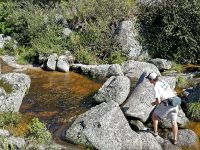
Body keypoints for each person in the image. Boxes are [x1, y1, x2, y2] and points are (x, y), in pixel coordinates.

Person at [146, 72, 179, 145]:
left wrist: (153, 103)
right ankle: (175, 140)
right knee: (174, 122)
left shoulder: (155, 87)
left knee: (154, 116)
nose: (148, 80)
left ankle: (155, 133)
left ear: (151, 80)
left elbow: (158, 101)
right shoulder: (163, 81)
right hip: (175, 102)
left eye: (149, 79)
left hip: (168, 105)